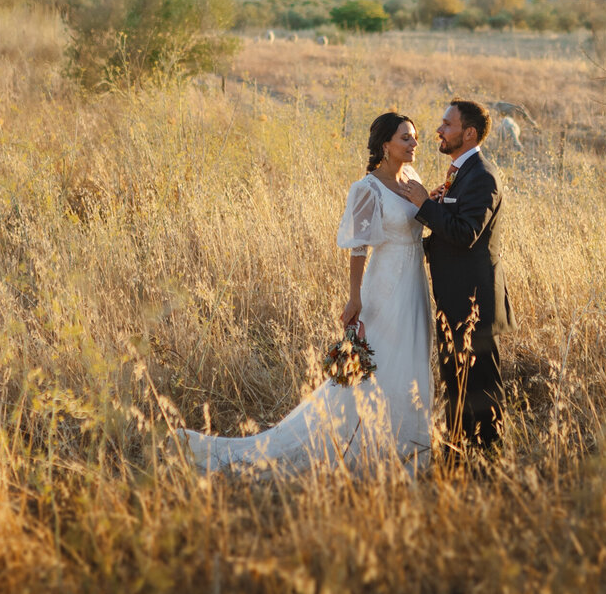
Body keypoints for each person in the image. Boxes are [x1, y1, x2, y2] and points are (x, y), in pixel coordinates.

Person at [181, 113, 434, 473]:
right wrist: (355, 297)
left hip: (414, 283)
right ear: (385, 145)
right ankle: (360, 446)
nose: (414, 144)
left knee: (410, 364)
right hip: (385, 285)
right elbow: (359, 249)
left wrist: (430, 200)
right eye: (406, 138)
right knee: (377, 369)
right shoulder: (368, 188)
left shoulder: (413, 180)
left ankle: (407, 449)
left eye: (415, 137)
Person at [400, 98, 513, 452]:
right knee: (457, 386)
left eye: (447, 125)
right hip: (453, 300)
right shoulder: (461, 174)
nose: (439, 130)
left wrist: (425, 205)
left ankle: (490, 465)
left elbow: (466, 234)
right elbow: (450, 233)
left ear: (469, 133)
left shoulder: (483, 176)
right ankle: (459, 458)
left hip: (473, 302)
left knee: (481, 389)